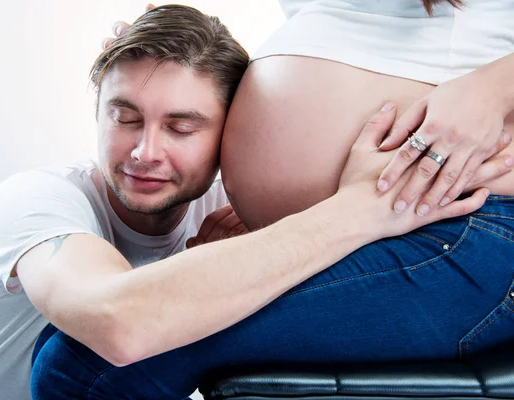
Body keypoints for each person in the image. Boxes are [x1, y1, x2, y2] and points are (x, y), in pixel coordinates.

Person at [29, 2, 514, 400]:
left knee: (85, 367)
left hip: (453, 220)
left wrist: (491, 88)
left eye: (178, 127)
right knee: (74, 346)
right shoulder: (52, 194)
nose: (147, 150)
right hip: (361, 225)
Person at [0, 5, 251, 400]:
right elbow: (119, 322)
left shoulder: (233, 213)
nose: (145, 152)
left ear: (230, 130)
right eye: (124, 118)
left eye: (180, 128)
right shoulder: (37, 199)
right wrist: (213, 270)